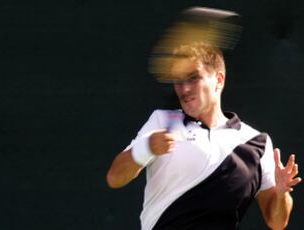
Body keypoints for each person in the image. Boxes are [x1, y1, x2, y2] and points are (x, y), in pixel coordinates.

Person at [106, 42, 301, 230]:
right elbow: (115, 178)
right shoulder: (162, 121)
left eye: (193, 78)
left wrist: (282, 192)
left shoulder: (256, 143)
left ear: (219, 80)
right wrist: (146, 148)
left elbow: (277, 222)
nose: (184, 88)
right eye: (178, 80)